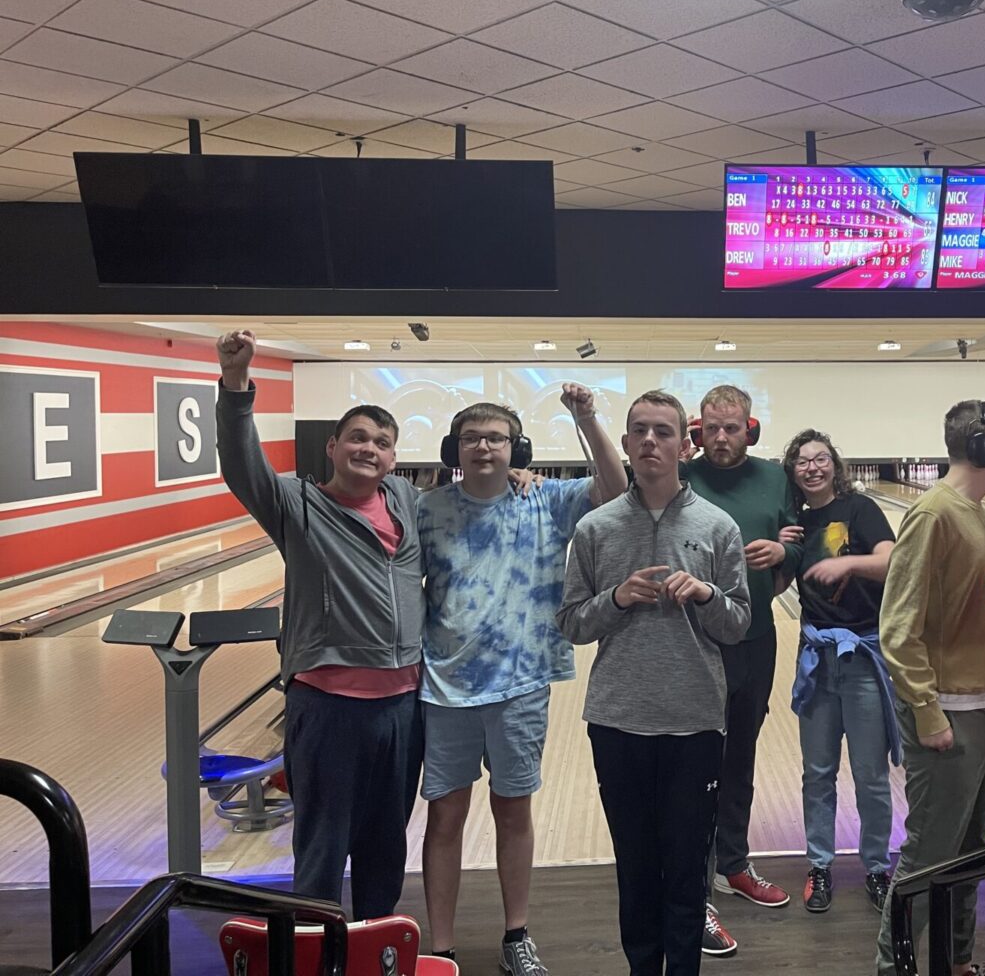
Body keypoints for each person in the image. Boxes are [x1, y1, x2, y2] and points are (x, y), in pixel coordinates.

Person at [214, 328, 424, 920]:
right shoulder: (294, 501)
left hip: (404, 706)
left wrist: (518, 478)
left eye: (382, 442)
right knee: (323, 846)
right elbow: (240, 463)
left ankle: (378, 941)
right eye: (358, 437)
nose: (370, 449)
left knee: (387, 842)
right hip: (329, 707)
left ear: (392, 458)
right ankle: (316, 947)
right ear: (331, 447)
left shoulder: (406, 502)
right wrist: (235, 385)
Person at [419, 386, 627, 974]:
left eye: (496, 439)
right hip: (446, 687)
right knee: (445, 817)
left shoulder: (548, 501)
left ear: (517, 449)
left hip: (521, 685)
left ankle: (516, 936)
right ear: (453, 449)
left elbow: (615, 490)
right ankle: (441, 948)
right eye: (471, 438)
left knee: (514, 812)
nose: (484, 447)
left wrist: (586, 418)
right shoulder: (426, 509)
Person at [556, 390, 750, 976]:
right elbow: (571, 624)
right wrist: (615, 598)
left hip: (695, 720)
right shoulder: (595, 527)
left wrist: (708, 595)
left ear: (684, 445)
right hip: (617, 719)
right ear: (625, 441)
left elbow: (738, 624)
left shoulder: (718, 527)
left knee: (687, 865)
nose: (649, 441)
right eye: (639, 430)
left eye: (663, 432)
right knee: (636, 865)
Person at [875, 400, 985, 976]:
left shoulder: (975, 510)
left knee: (971, 852)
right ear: (984, 448)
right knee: (928, 857)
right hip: (951, 718)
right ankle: (894, 968)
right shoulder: (934, 514)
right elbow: (897, 628)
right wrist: (928, 712)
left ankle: (958, 961)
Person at [683, 384, 803, 954]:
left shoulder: (775, 479)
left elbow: (799, 547)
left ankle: (732, 863)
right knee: (697, 763)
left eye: (733, 427)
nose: (722, 437)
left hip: (756, 640)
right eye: (713, 427)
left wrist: (785, 555)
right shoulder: (681, 478)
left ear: (749, 427)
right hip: (694, 644)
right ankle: (694, 889)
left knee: (741, 757)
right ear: (698, 428)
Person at [781, 429, 899, 915]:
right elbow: (778, 578)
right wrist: (778, 546)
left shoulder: (861, 509)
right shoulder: (796, 524)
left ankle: (875, 866)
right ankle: (820, 865)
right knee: (818, 772)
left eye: (821, 458)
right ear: (792, 472)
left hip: (864, 659)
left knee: (871, 774)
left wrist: (847, 563)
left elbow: (893, 562)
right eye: (803, 461)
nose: (813, 467)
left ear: (835, 464)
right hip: (817, 658)